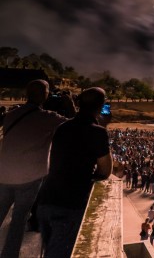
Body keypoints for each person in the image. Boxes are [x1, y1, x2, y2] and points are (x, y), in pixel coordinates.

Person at [37, 87, 112, 258]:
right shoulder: (98, 132)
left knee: (48, 250)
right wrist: (103, 126)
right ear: (101, 106)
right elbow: (106, 171)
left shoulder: (62, 127)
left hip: (46, 198)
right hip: (70, 203)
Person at [0, 80, 66, 258]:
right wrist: (68, 103)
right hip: (29, 177)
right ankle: (9, 255)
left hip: (5, 173)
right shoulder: (48, 118)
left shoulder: (11, 115)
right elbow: (72, 126)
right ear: (44, 94)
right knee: (19, 220)